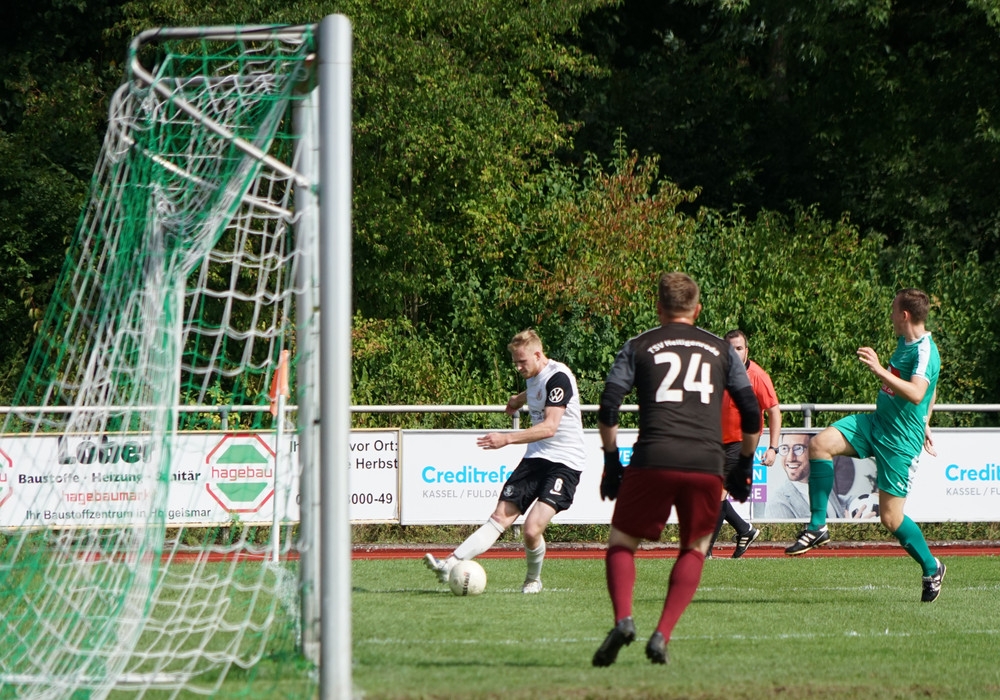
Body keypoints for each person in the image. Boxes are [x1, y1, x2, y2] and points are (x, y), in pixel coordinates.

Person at [591, 272, 761, 667]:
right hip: (706, 462)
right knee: (695, 548)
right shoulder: (721, 349)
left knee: (622, 543)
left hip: (653, 456)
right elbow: (751, 411)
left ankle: (624, 620)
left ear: (658, 308)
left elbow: (609, 403)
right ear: (697, 309)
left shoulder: (639, 345)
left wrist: (611, 460)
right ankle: (662, 634)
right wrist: (744, 463)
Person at [784, 288, 944, 603]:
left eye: (893, 310)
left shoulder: (926, 351)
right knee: (819, 444)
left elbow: (917, 392)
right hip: (876, 425)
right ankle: (817, 526)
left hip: (899, 442)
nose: (891, 316)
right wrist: (926, 419)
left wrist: (880, 371)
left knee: (891, 518)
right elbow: (931, 389)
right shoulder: (906, 342)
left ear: (905, 315)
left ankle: (932, 567)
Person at [424, 329, 585, 594]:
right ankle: (449, 563)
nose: (518, 367)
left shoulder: (558, 378)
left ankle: (533, 579)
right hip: (536, 458)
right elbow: (534, 390)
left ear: (538, 354)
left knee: (531, 530)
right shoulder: (534, 375)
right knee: (499, 517)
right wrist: (516, 400)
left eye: (522, 362)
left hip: (565, 462)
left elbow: (549, 427)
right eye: (515, 362)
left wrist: (507, 438)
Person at [707, 329, 781, 558]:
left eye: (739, 348)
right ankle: (744, 529)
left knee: (718, 493)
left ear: (746, 351)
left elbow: (774, 411)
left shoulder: (757, 376)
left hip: (742, 442)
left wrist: (773, 448)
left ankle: (704, 552)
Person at [765, 433, 846, 520]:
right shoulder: (777, 505)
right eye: (785, 448)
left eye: (798, 448)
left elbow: (842, 502)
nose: (790, 458)